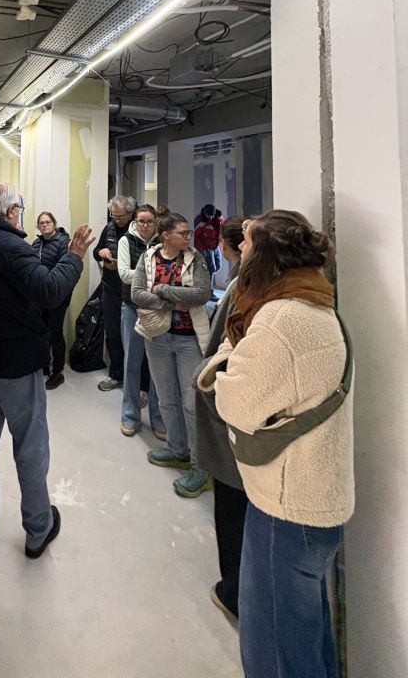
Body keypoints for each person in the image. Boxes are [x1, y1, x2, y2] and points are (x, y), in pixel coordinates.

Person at [198, 211, 354, 678]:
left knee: (274, 651)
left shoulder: (279, 319)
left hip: (286, 509)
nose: (239, 249)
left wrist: (228, 353)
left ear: (264, 255)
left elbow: (235, 404)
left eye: (246, 242)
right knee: (305, 639)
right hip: (316, 501)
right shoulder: (316, 304)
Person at [0, 184, 93, 562]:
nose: (23, 213)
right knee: (30, 450)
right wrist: (74, 257)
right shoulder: (12, 247)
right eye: (20, 207)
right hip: (16, 368)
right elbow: (49, 291)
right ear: (9, 211)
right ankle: (38, 528)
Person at [132, 212, 212, 498]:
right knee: (167, 399)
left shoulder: (195, 259)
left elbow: (202, 293)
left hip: (189, 340)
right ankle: (178, 450)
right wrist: (172, 304)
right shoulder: (148, 258)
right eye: (183, 233)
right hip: (157, 337)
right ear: (166, 236)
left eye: (188, 232)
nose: (188, 237)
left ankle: (201, 466)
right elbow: (137, 293)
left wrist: (164, 290)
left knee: (192, 404)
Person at [192, 216, 247, 622]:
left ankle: (236, 592)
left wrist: (210, 381)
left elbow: (221, 352)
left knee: (233, 511)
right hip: (242, 425)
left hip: (238, 425)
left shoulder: (245, 289)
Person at [117, 204, 165, 439]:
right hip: (132, 308)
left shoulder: (162, 242)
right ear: (135, 222)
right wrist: (154, 275)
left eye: (149, 221)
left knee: (157, 367)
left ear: (156, 222)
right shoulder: (126, 241)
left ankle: (159, 417)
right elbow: (124, 274)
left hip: (158, 310)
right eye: (141, 221)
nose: (145, 225)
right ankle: (130, 415)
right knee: (131, 364)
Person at [93, 195, 136, 391]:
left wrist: (122, 266)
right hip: (110, 289)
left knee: (134, 337)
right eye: (113, 215)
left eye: (120, 216)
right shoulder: (109, 228)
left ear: (130, 213)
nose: (116, 219)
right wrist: (101, 253)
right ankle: (116, 374)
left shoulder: (136, 231)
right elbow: (96, 251)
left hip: (132, 291)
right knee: (113, 333)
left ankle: (136, 382)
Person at [32, 212, 71, 390]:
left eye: (48, 222)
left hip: (57, 295)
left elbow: (63, 267)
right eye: (41, 223)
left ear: (54, 224)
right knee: (42, 330)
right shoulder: (36, 243)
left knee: (55, 331)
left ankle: (58, 371)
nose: (45, 225)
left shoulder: (63, 242)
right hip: (40, 295)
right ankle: (44, 365)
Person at [194, 204, 223, 278]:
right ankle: (208, 284)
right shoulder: (199, 221)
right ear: (205, 213)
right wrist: (202, 249)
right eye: (209, 215)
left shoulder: (217, 219)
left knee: (218, 266)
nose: (210, 217)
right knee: (211, 268)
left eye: (212, 215)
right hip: (206, 248)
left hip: (215, 246)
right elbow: (195, 237)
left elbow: (221, 228)